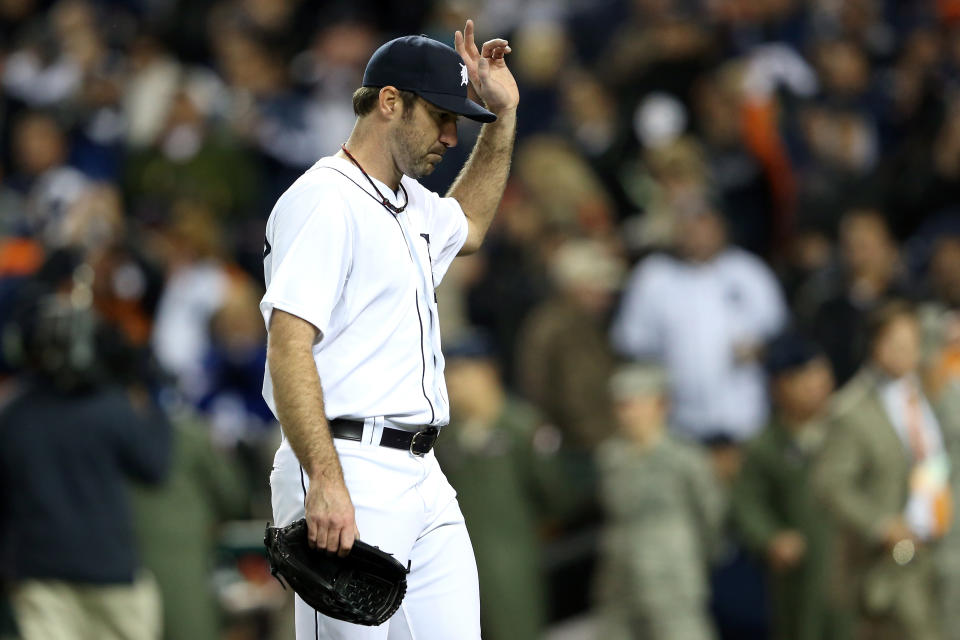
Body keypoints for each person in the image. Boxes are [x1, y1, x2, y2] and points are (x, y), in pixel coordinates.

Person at [259, 20, 518, 640]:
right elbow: (287, 346)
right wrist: (323, 478)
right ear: (390, 102)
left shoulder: (412, 202)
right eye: (441, 118)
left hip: (423, 472)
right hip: (347, 463)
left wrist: (503, 117)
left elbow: (472, 226)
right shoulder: (325, 199)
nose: (453, 137)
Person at [0, 259, 172, 640]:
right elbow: (155, 466)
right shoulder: (111, 407)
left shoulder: (13, 413)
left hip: (40, 573)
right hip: (110, 570)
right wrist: (154, 398)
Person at [812, 301, 956, 640]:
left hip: (941, 542)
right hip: (895, 553)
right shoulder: (851, 410)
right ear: (874, 345)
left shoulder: (924, 394)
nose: (908, 354)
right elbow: (830, 484)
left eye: (913, 344)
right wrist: (881, 525)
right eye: (897, 344)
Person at [611, 200, 788, 442]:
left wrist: (761, 350)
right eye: (689, 227)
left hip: (747, 416)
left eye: (705, 224)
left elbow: (781, 336)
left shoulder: (749, 271)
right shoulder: (653, 277)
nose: (698, 235)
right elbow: (631, 345)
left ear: (721, 228)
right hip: (679, 423)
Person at [593, 363, 725, 640]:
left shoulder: (684, 458)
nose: (628, 414)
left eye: (636, 404)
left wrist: (694, 559)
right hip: (620, 576)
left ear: (661, 405)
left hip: (672, 574)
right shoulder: (610, 457)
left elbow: (710, 516)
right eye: (621, 406)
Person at [731, 331, 848, 640]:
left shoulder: (849, 430)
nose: (816, 386)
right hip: (800, 571)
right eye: (802, 379)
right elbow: (747, 502)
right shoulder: (765, 446)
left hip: (852, 560)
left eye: (820, 375)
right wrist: (770, 537)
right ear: (778, 387)